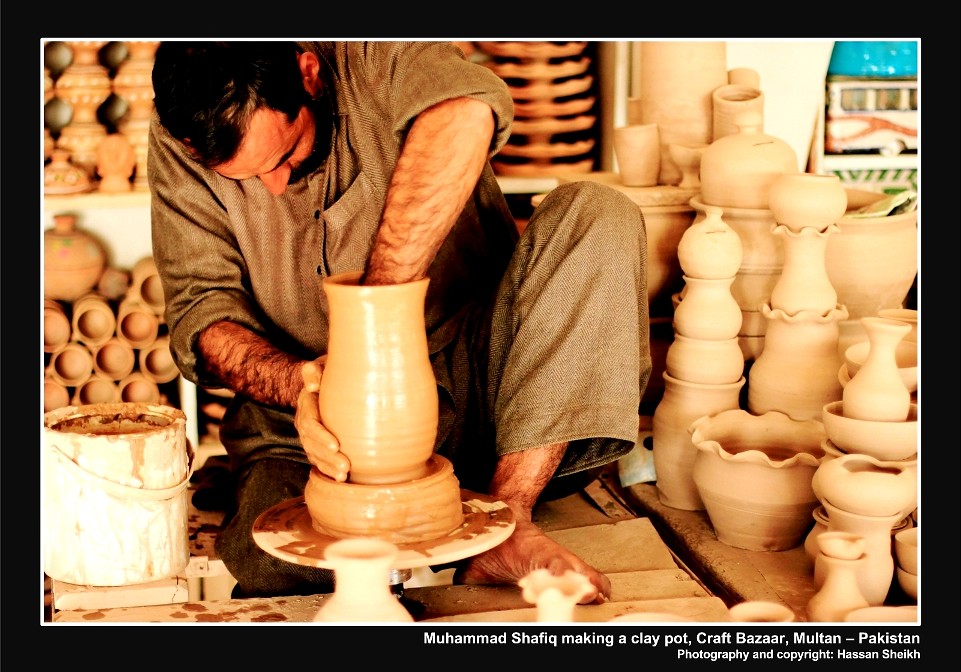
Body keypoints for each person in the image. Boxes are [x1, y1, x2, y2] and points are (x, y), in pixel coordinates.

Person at [148, 41, 651, 603]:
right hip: (311, 429)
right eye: (245, 179)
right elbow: (203, 309)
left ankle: (507, 519)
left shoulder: (371, 48)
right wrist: (302, 384)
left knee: (596, 213)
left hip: (489, 391)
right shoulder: (183, 123)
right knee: (281, 563)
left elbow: (465, 108)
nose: (273, 186)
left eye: (286, 156)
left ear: (307, 73)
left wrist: (379, 309)